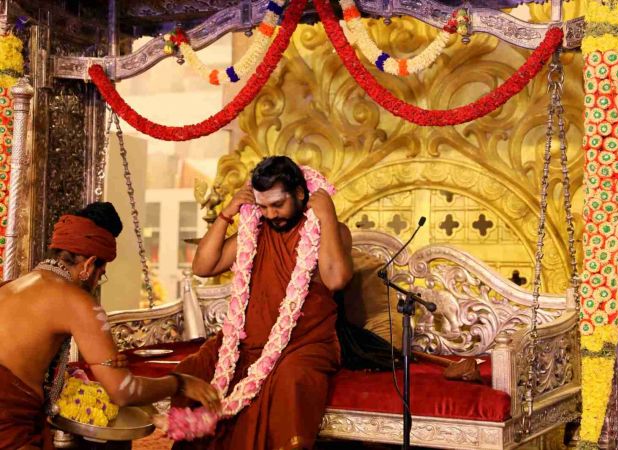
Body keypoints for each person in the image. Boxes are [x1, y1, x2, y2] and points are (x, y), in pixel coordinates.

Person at [0, 202, 220, 450]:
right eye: (101, 273)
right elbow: (124, 391)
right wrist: (180, 383)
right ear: (88, 265)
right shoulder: (76, 301)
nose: (97, 282)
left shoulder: (11, 286)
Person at [173, 156, 353, 450]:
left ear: (299, 193)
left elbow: (336, 279)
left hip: (304, 343)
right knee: (193, 367)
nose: (270, 214)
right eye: (263, 206)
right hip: (245, 343)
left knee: (290, 379)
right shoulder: (255, 232)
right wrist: (227, 213)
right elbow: (203, 266)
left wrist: (328, 216)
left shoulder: (329, 229)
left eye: (278, 205)